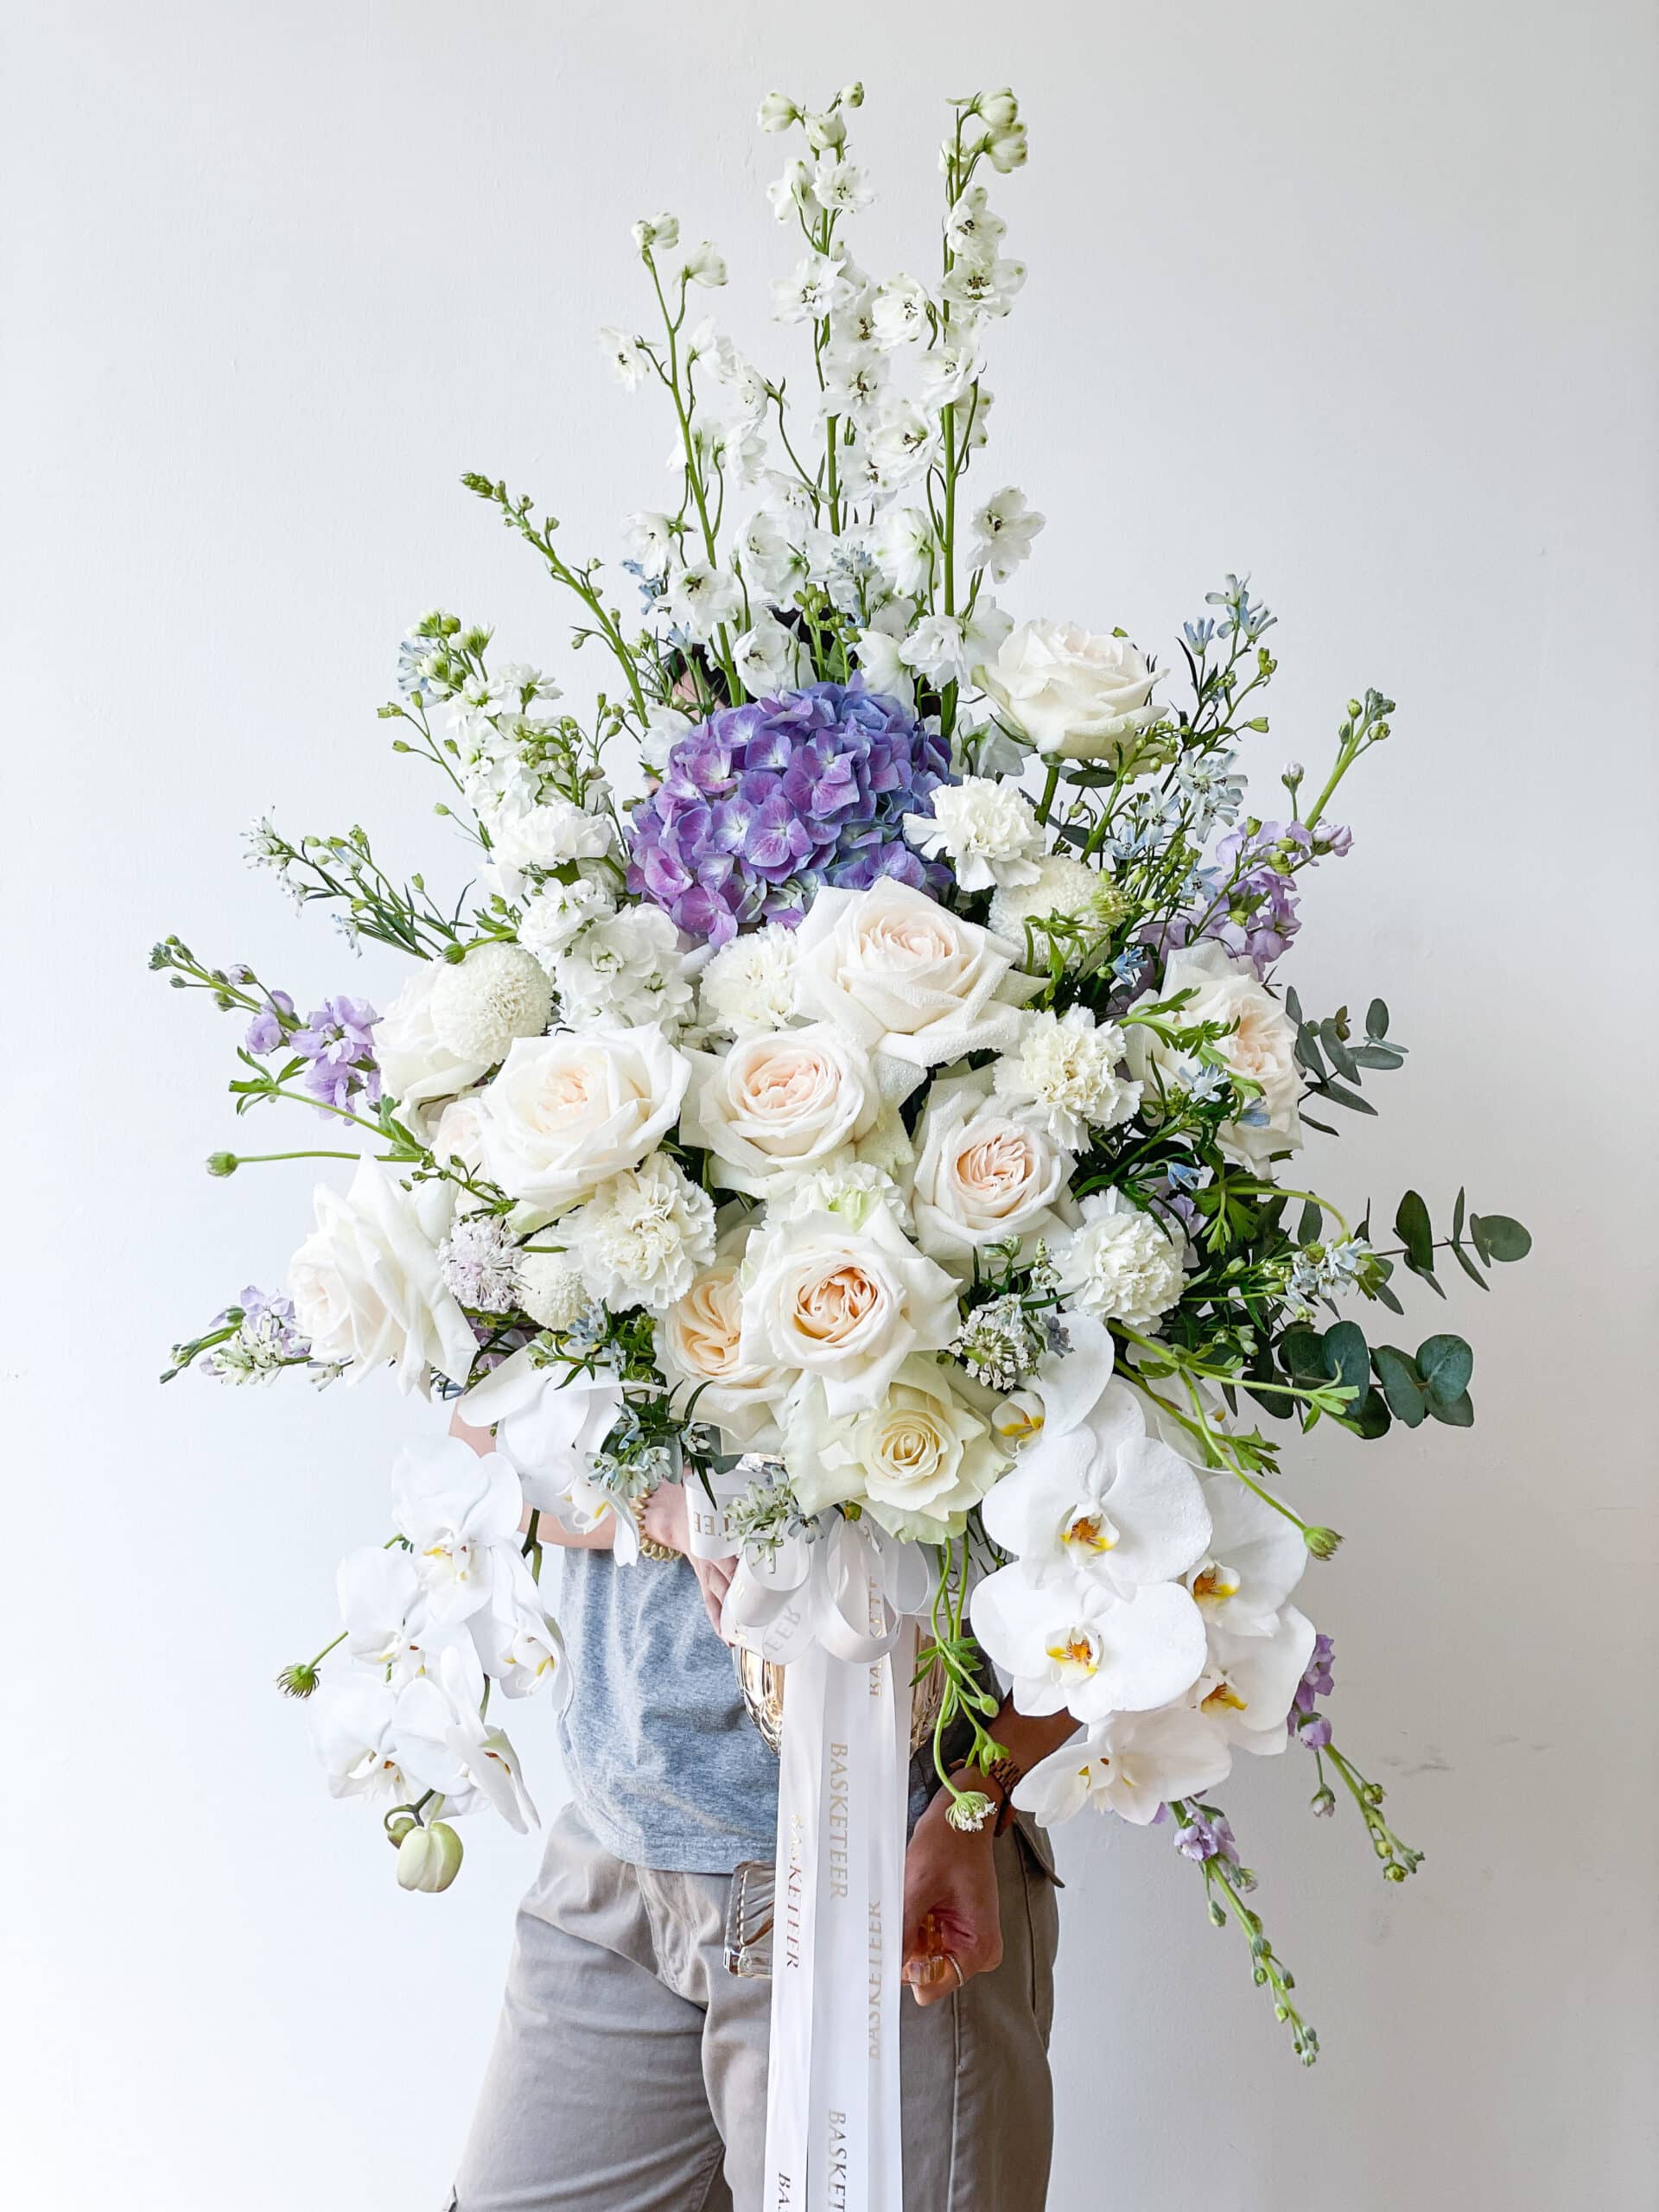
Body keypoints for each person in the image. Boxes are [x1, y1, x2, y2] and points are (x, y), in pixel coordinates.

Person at [444, 1410, 1081, 2212]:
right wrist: (675, 1509)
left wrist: (974, 1803)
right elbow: (480, 1461)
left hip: (882, 1885)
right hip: (616, 1859)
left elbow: (1116, 1571)